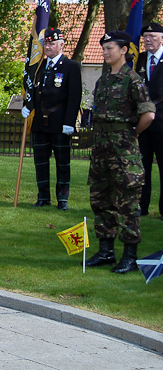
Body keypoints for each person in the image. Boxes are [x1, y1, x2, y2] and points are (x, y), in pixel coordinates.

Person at [86, 31, 155, 274]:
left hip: (124, 150)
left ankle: (129, 255)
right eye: (103, 48)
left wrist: (132, 133)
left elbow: (148, 114)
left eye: (110, 48)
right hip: (102, 148)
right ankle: (106, 250)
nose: (105, 52)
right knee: (101, 198)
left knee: (127, 202)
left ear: (123, 50)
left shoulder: (133, 79)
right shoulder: (103, 80)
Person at [21, 29, 82, 210]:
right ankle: (43, 196)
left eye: (52, 44)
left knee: (62, 162)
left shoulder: (70, 66)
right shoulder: (39, 66)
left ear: (61, 45)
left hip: (60, 121)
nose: (47, 47)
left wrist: (69, 122)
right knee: (40, 162)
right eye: (46, 44)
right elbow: (32, 89)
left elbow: (74, 96)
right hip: (40, 121)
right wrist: (28, 105)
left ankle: (62, 198)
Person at [134, 22, 163, 218]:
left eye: (152, 36)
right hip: (144, 123)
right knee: (142, 168)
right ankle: (141, 207)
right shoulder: (141, 59)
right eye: (145, 37)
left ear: (162, 38)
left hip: (162, 123)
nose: (148, 40)